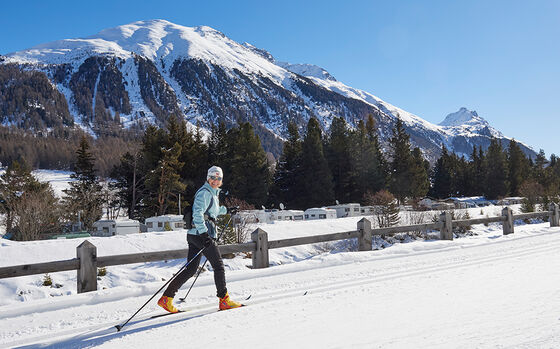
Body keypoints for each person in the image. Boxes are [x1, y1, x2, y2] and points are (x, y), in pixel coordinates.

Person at [157, 166, 242, 312]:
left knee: (191, 269)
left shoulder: (212, 193)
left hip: (195, 235)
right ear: (208, 178)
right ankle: (224, 300)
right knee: (219, 266)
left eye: (218, 178)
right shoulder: (204, 193)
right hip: (201, 234)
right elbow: (198, 214)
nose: (215, 181)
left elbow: (212, 212)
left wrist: (227, 210)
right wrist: (204, 235)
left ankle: (166, 298)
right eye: (213, 177)